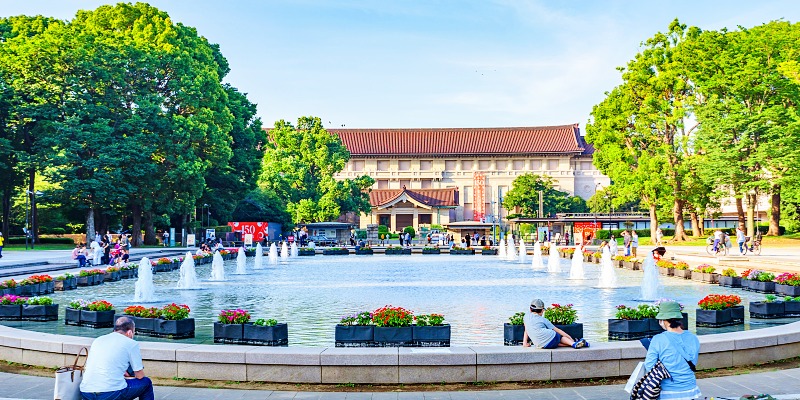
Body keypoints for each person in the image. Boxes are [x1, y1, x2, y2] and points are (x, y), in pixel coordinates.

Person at [80, 316, 154, 400]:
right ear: (130, 332)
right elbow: (140, 376)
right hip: (110, 393)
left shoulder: (98, 340)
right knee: (146, 383)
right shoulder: (131, 343)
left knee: (122, 385)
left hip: (86, 392)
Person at [643, 301, 701, 400]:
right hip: (691, 389)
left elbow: (649, 366)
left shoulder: (658, 339)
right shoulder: (693, 337)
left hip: (668, 391)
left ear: (663, 320)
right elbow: (693, 361)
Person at [522, 298, 588, 349]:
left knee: (554, 343)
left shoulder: (526, 317)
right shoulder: (543, 320)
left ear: (530, 309)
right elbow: (557, 330)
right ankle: (573, 343)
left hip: (540, 344)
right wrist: (570, 338)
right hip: (552, 338)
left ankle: (576, 343)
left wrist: (525, 343)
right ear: (542, 310)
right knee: (559, 337)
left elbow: (526, 330)